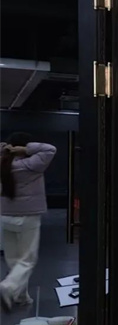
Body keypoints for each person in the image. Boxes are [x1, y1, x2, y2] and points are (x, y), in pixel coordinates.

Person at [0, 133, 57, 311]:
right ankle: (8, 287)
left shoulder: (3, 163)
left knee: (13, 259)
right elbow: (50, 149)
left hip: (5, 215)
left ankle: (20, 296)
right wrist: (26, 149)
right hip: (28, 217)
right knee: (27, 260)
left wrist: (5, 148)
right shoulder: (32, 164)